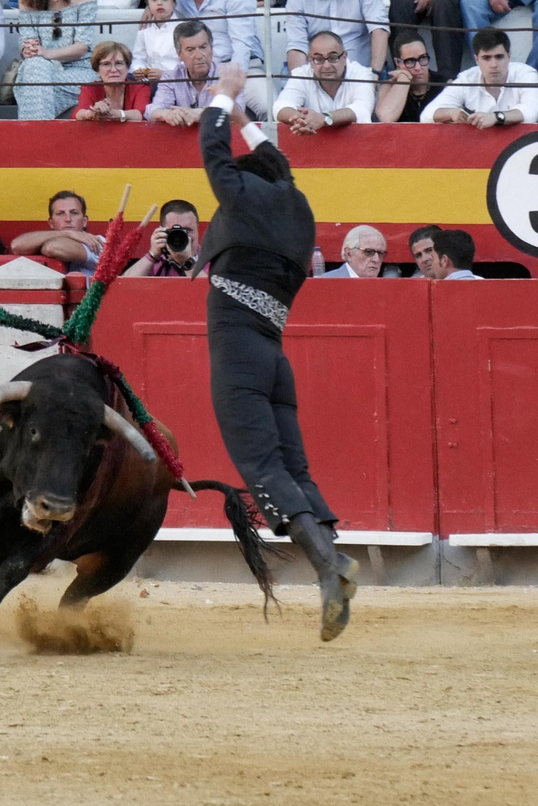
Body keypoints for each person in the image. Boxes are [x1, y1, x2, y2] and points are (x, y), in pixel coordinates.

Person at [194, 62, 359, 642]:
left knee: (260, 466)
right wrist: (247, 120)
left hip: (238, 346)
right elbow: (277, 165)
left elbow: (211, 148)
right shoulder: (296, 204)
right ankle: (330, 570)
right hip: (273, 353)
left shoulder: (241, 199)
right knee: (292, 465)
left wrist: (224, 97)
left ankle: (329, 565)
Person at [172, 0, 266, 114]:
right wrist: (149, 8)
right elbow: (160, 1)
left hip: (241, 68)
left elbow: (242, 45)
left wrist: (232, 82)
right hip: (200, 72)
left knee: (269, 108)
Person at [15, 0, 97, 119]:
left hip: (79, 71)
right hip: (41, 69)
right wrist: (27, 49)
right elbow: (27, 38)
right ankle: (42, 137)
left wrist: (46, 54)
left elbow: (82, 46)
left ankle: (32, 136)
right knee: (35, 67)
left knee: (32, 84)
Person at [148, 19, 260, 122]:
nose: (198, 55)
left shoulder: (227, 75)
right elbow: (152, 112)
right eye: (190, 50)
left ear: (211, 48)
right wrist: (167, 114)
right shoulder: (171, 77)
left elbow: (237, 109)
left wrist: (201, 113)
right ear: (179, 54)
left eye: (203, 47)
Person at [426, 27, 537, 126]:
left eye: (499, 57)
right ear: (476, 59)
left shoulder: (526, 74)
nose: (493, 65)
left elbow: (533, 111)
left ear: (509, 56)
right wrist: (451, 113)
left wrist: (496, 117)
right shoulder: (466, 78)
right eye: (486, 58)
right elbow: (427, 115)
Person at [273, 28, 375, 132]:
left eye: (332, 58)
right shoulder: (301, 74)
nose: (326, 66)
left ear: (344, 57)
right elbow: (280, 106)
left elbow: (362, 109)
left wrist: (325, 118)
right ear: (310, 60)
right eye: (319, 59)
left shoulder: (361, 73)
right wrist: (303, 120)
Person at [9, 188, 104, 274]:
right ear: (51, 223)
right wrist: (68, 233)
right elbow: (16, 246)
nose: (68, 219)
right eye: (60, 214)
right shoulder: (61, 235)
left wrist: (35, 247)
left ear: (84, 221)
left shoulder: (98, 243)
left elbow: (52, 247)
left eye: (74, 213)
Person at [121, 197, 199, 276]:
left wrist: (187, 262)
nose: (181, 235)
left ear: (197, 230)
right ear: (161, 231)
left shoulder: (209, 261)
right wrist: (152, 255)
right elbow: (124, 285)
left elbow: (208, 287)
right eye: (174, 231)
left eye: (187, 230)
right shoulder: (156, 263)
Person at [74, 39, 150, 120]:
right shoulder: (90, 88)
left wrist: (118, 114)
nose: (113, 70)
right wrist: (92, 112)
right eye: (106, 64)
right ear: (98, 70)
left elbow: (142, 114)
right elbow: (78, 114)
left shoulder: (140, 87)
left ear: (127, 68)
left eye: (119, 63)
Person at [375, 30, 438, 122]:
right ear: (397, 62)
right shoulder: (389, 86)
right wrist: (404, 77)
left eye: (422, 58)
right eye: (410, 61)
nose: (418, 67)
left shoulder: (444, 84)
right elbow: (386, 117)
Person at [131, 0, 180, 81]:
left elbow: (186, 64)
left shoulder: (182, 29)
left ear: (174, 3)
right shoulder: (145, 29)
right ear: (148, 5)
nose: (159, 3)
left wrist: (165, 74)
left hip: (174, 81)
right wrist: (138, 70)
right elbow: (138, 57)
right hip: (148, 80)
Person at [315, 224, 385, 278]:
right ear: (348, 254)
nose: (376, 259)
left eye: (380, 253)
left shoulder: (384, 288)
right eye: (368, 252)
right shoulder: (325, 283)